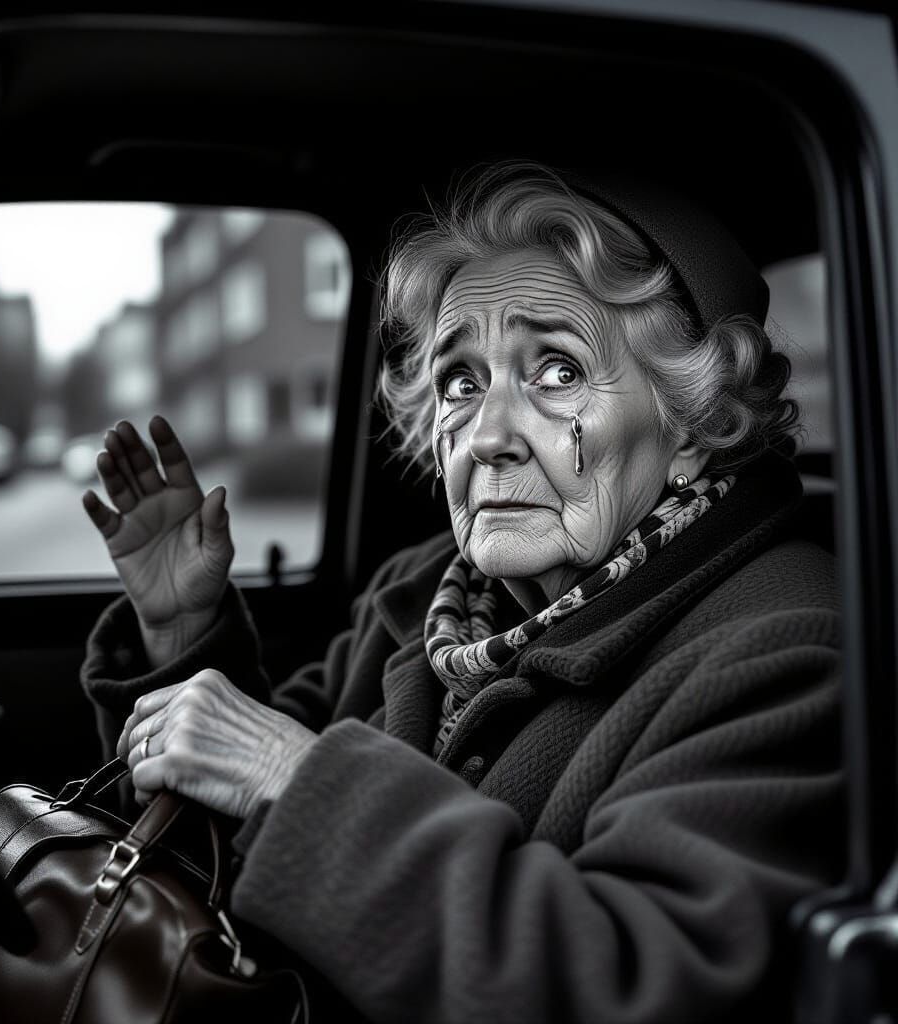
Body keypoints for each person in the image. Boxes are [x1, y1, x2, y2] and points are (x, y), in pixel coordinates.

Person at [80, 162, 842, 1024]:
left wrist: (295, 780)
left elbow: (633, 985)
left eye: (557, 372)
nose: (485, 437)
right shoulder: (426, 594)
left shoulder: (786, 648)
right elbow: (223, 828)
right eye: (460, 382)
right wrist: (185, 636)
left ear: (697, 424)